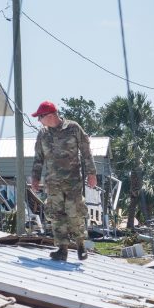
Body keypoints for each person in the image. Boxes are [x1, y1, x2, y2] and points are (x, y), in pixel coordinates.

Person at [29, 100, 96, 261]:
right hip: (53, 183)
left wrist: (91, 173)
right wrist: (36, 178)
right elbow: (38, 158)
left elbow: (86, 151)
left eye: (40, 117)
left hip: (73, 182)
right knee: (56, 215)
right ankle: (62, 249)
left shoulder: (73, 128)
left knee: (75, 213)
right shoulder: (43, 134)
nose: (39, 121)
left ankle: (81, 247)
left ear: (51, 115)